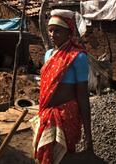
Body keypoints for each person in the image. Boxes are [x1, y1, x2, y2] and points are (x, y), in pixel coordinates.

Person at [31, 9, 93, 163]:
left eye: (57, 31)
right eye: (50, 30)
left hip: (65, 116)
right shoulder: (49, 54)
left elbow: (83, 96)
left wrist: (89, 136)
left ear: (69, 32)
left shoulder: (77, 57)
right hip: (46, 113)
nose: (52, 35)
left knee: (62, 158)